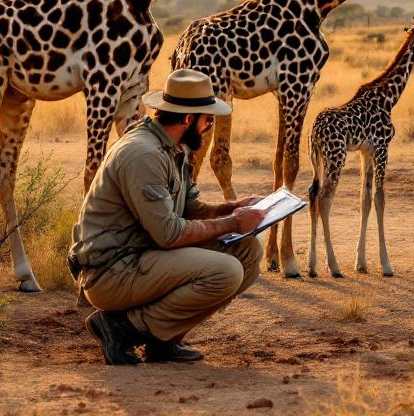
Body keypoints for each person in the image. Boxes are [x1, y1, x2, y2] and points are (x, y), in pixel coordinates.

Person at [69, 69, 267, 365]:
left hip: (143, 255)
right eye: (208, 118)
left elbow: (190, 208)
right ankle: (120, 328)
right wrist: (234, 224)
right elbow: (170, 234)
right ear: (189, 119)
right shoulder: (143, 155)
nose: (209, 126)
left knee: (247, 252)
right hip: (112, 271)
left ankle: (163, 341)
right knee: (225, 271)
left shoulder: (172, 146)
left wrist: (229, 208)